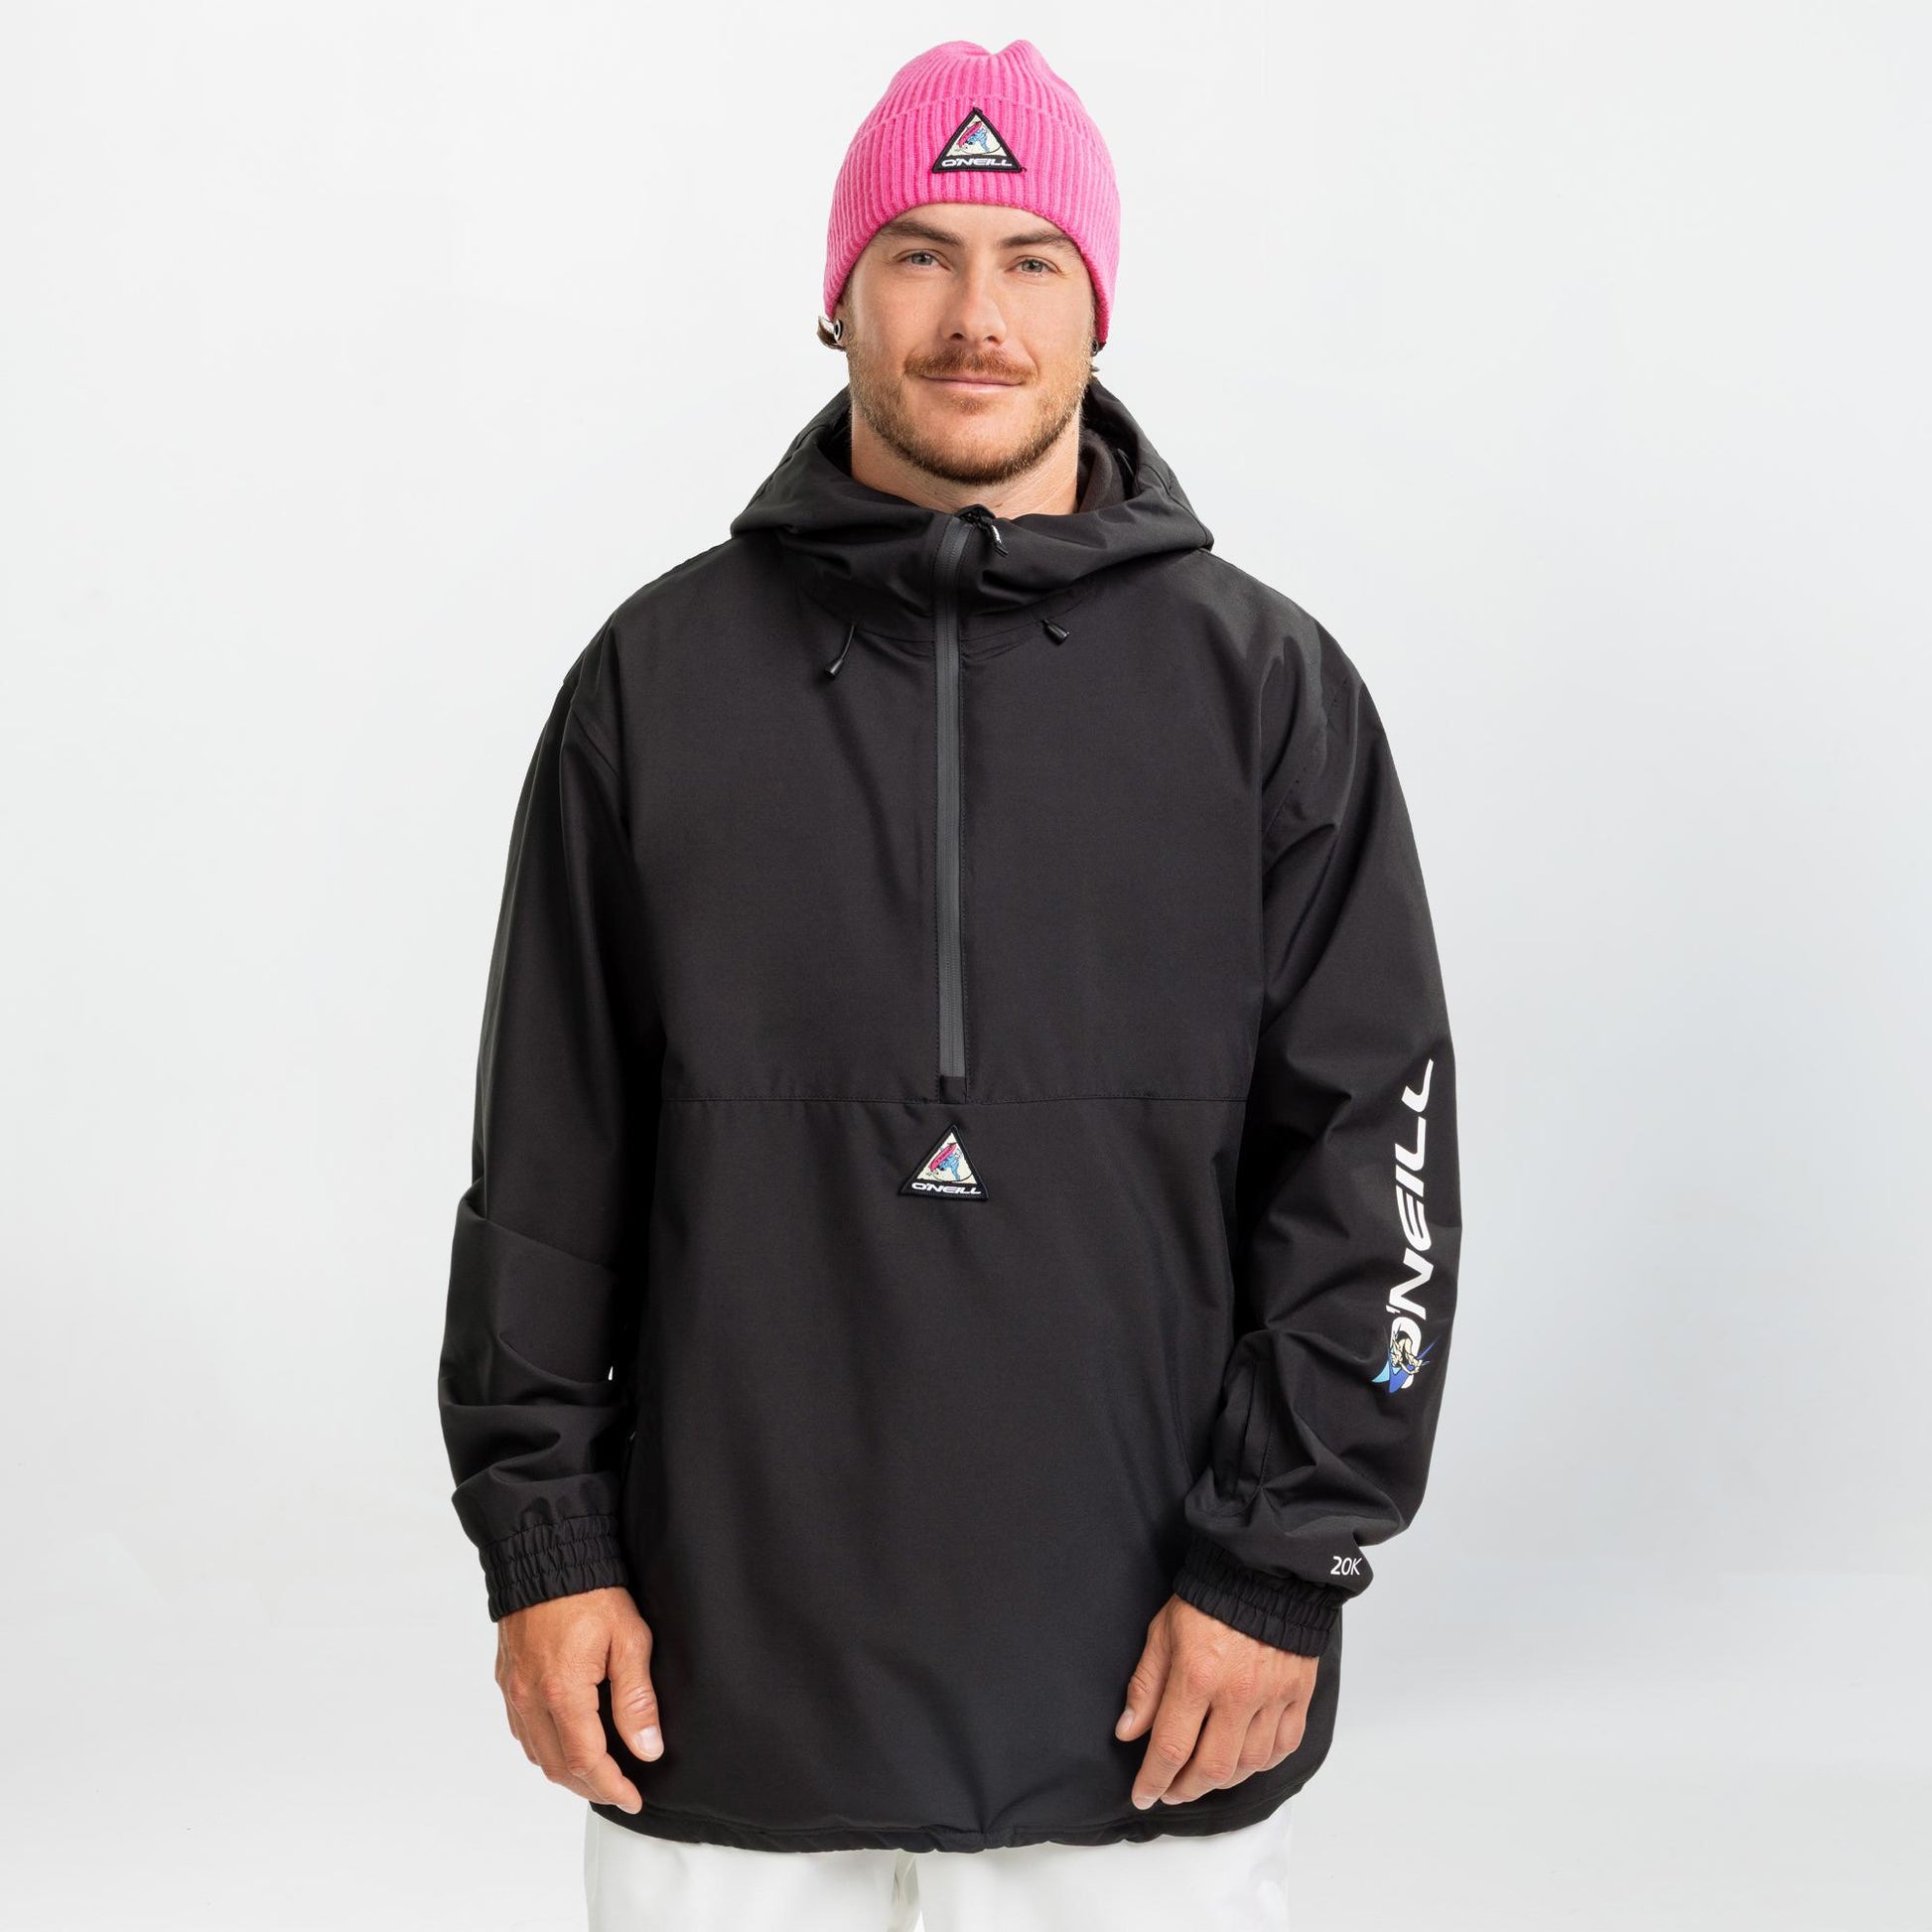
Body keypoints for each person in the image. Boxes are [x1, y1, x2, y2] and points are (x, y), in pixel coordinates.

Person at [436, 37, 1462, 1932]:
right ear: (836, 299)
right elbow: (546, 1171)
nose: (975, 315)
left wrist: (1281, 1564)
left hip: (1148, 1701)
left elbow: (1370, 1179)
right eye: (917, 253)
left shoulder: (1266, 695)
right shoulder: (652, 686)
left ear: (1097, 306)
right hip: (718, 1695)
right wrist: (544, 1544)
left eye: (1029, 260)